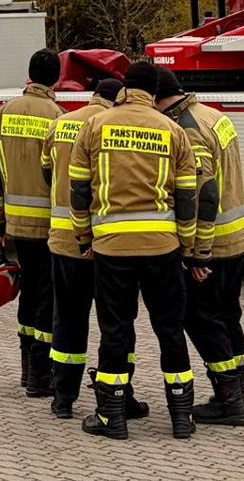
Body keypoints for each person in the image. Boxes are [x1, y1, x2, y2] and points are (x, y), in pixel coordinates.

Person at [69, 61, 201, 440]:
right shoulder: (173, 130)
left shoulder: (95, 125)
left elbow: (78, 189)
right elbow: (186, 198)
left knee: (115, 330)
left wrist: (84, 237)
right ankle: (181, 417)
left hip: (112, 247)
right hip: (163, 247)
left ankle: (112, 417)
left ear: (126, 87)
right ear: (155, 92)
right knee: (170, 330)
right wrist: (187, 247)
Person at [42, 78, 149, 421]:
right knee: (117, 323)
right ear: (119, 99)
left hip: (64, 242)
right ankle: (120, 395)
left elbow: (48, 174)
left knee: (67, 319)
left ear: (92, 96)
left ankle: (63, 398)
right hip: (108, 244)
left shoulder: (61, 124)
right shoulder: (115, 127)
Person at [154, 70, 244, 426]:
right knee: (227, 316)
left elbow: (204, 194)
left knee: (202, 319)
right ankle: (241, 395)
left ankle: (229, 401)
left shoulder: (188, 128)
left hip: (213, 243)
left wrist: (198, 253)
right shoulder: (212, 115)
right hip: (235, 236)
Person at [0, 49, 65, 398]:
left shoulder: (2, 114)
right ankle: (40, 377)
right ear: (57, 79)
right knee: (47, 297)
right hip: (49, 227)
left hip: (16, 225)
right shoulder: (58, 117)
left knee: (28, 293)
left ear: (30, 75)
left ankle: (26, 369)